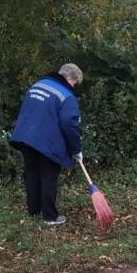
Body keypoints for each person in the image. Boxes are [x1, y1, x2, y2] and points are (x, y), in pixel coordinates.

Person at [10, 63, 83, 226]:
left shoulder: (38, 85)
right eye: (74, 83)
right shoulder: (66, 95)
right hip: (47, 141)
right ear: (70, 78)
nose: (73, 87)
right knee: (48, 176)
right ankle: (50, 216)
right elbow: (69, 124)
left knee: (32, 173)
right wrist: (76, 149)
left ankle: (33, 210)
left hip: (25, 138)